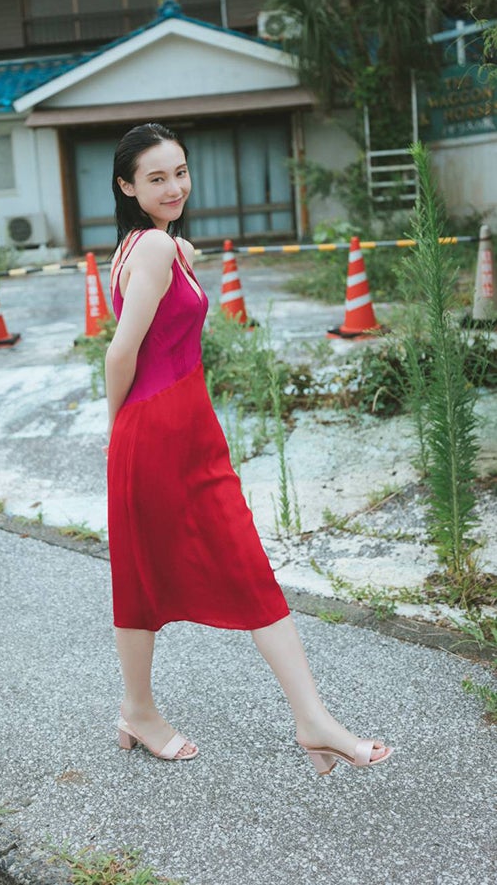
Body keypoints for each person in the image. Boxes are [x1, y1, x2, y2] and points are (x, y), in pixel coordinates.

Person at [104, 122, 393, 773]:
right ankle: (140, 711)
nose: (174, 186)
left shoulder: (147, 247)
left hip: (187, 434)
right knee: (161, 573)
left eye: (180, 171)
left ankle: (309, 720)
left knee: (215, 566)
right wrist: (116, 430)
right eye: (156, 178)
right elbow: (120, 352)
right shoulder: (154, 247)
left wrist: (182, 260)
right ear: (127, 186)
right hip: (157, 434)